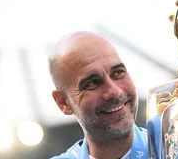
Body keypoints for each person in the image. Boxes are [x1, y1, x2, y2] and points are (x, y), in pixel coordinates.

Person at [48, 31, 148, 159]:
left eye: (118, 73)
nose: (115, 92)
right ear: (63, 102)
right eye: (92, 83)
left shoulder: (173, 148)